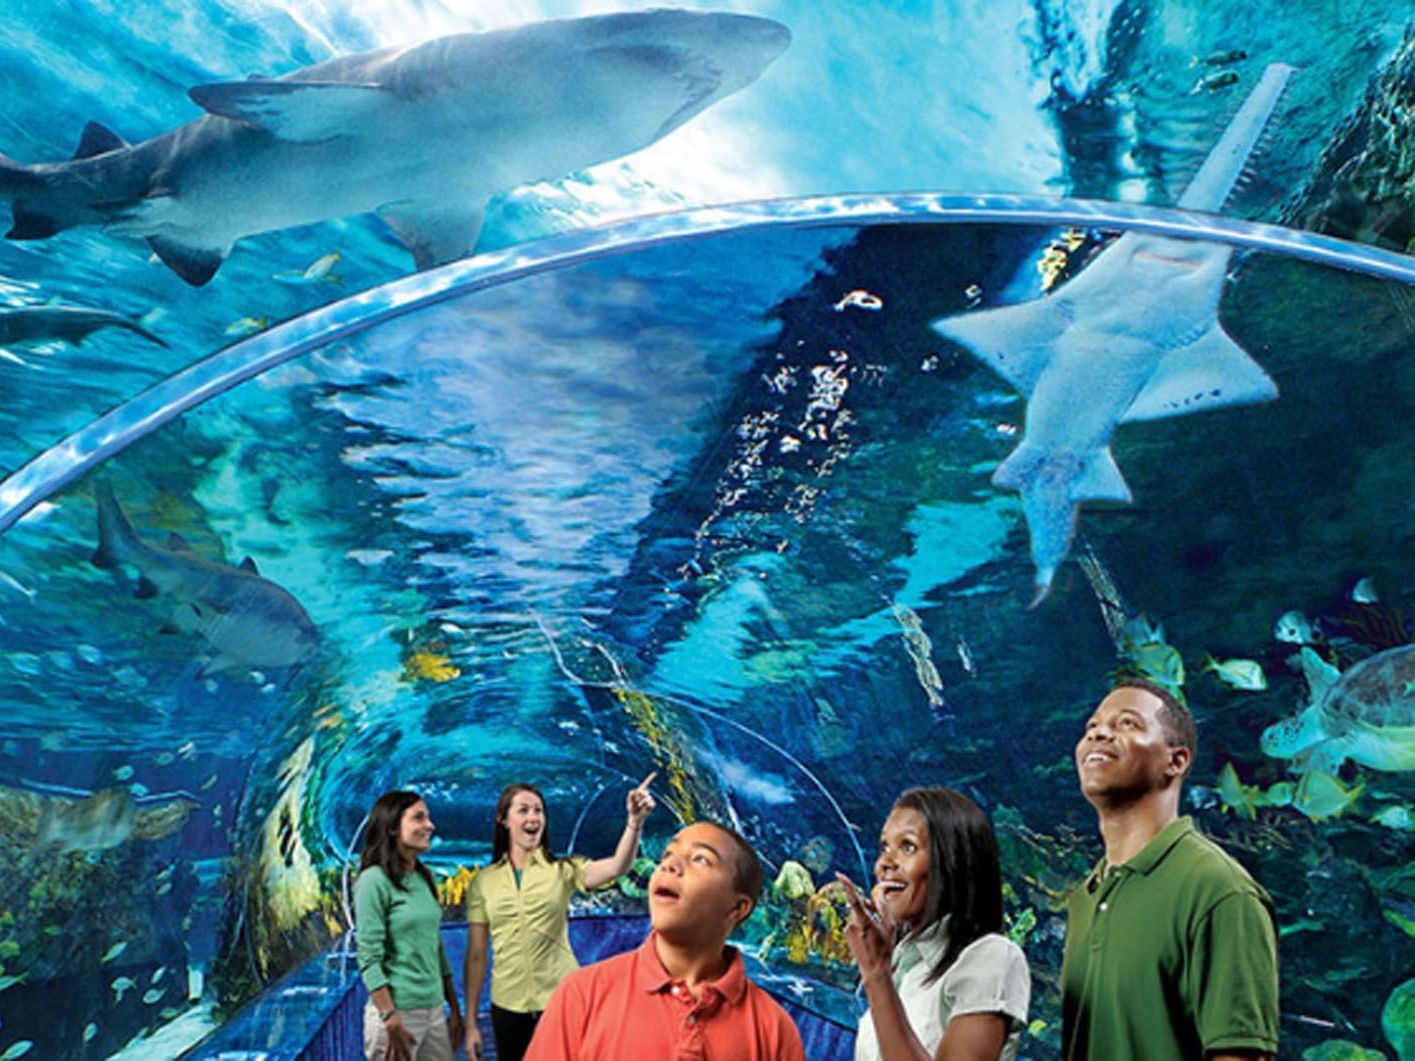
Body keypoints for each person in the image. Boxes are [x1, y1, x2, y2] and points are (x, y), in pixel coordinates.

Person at [1062, 678, 1279, 1059]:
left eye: (1127, 723)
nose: (1099, 734)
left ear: (1176, 761)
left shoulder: (1218, 890)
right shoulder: (1086, 898)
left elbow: (1241, 1052)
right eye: (1092, 727)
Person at [523, 820, 805, 1060]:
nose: (670, 864)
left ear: (737, 908)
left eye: (700, 859)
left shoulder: (773, 1029)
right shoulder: (583, 994)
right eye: (667, 855)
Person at [463, 775, 656, 1061]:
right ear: (503, 820)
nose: (533, 817)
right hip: (506, 1007)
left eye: (538, 810)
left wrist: (634, 822)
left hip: (560, 1002)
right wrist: (470, 1025)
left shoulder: (562, 870)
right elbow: (477, 954)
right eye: (524, 810)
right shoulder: (483, 882)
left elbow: (616, 867)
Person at [838, 787, 1031, 1060]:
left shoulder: (992, 957)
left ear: (953, 861)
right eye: (884, 847)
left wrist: (876, 973)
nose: (885, 863)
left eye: (908, 846)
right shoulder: (904, 958)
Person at [354, 790, 464, 1061]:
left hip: (434, 1010)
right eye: (418, 818)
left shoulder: (424, 878)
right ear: (392, 827)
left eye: (428, 818)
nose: (430, 825)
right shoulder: (373, 881)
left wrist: (454, 1008)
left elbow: (435, 949)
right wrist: (390, 1019)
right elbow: (369, 958)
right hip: (396, 1015)